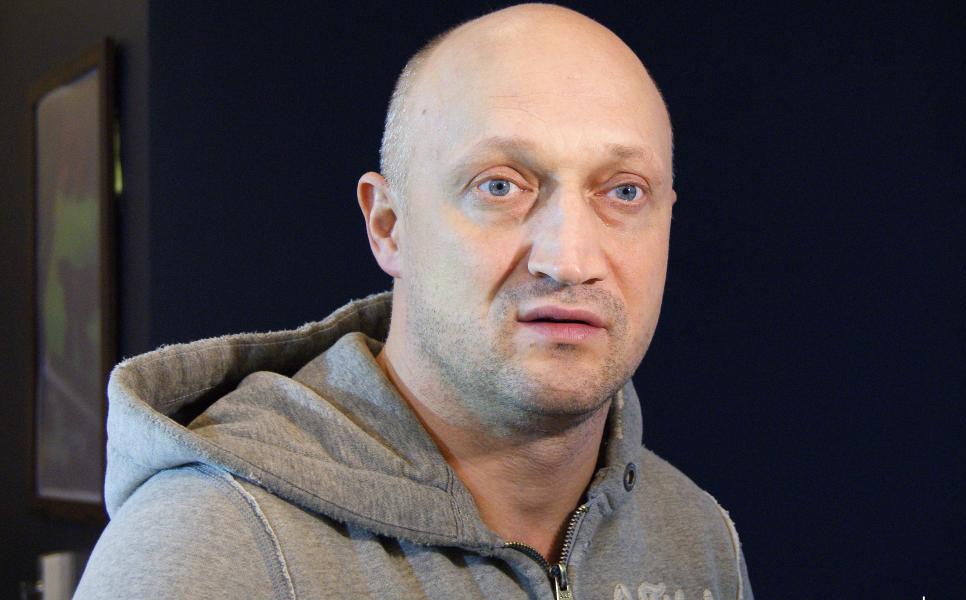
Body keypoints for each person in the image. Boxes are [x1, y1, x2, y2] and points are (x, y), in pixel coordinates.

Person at [75, 4, 753, 599]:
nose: (570, 260)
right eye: (500, 186)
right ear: (389, 225)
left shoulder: (697, 538)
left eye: (624, 191)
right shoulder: (208, 548)